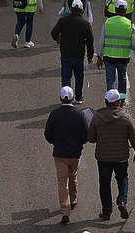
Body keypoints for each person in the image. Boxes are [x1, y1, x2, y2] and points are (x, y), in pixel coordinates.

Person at [87, 89, 135, 222]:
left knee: (104, 183)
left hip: (103, 157)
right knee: (122, 178)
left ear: (106, 101)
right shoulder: (125, 117)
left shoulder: (97, 117)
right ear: (117, 102)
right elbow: (134, 137)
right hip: (121, 157)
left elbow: (91, 138)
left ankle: (106, 211)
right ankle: (122, 201)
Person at [44, 86, 89, 225]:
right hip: (74, 154)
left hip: (59, 153)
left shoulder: (54, 114)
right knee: (73, 176)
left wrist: (55, 142)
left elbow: (47, 134)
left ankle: (65, 210)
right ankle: (73, 199)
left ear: (60, 99)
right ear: (73, 98)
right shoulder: (79, 114)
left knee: (62, 181)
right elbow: (85, 136)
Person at [51, 0, 94, 103]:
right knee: (79, 77)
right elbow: (90, 42)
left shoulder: (63, 20)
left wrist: (59, 38)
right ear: (82, 10)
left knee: (66, 76)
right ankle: (78, 97)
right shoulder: (86, 24)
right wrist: (90, 56)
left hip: (65, 53)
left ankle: (66, 96)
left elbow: (53, 34)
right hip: (79, 55)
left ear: (70, 9)